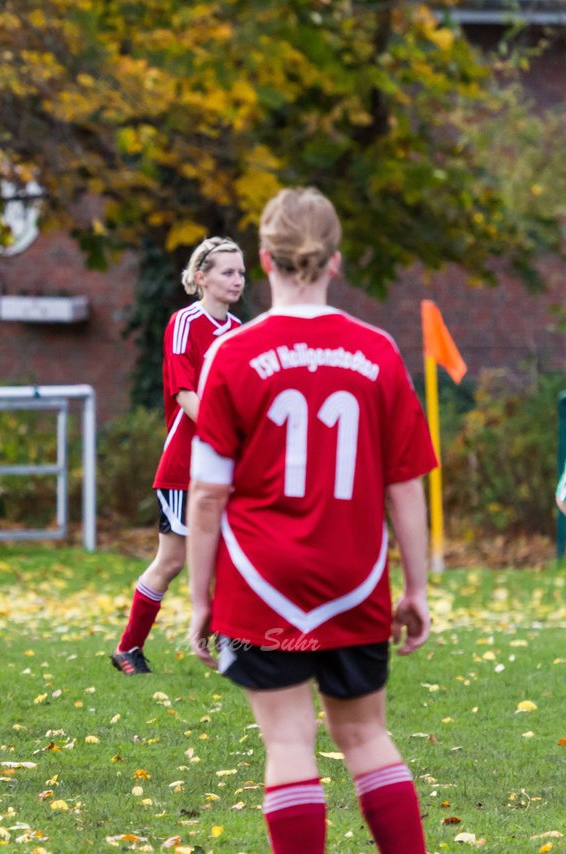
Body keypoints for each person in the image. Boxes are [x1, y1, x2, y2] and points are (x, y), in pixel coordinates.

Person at [185, 187, 436, 853]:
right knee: (367, 737)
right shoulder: (378, 351)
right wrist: (416, 587)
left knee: (289, 741)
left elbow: (207, 496)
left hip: (261, 580)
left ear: (264, 260)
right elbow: (406, 483)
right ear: (336, 262)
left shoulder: (230, 356)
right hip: (353, 579)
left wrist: (199, 598)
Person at [112, 237, 244, 676]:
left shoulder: (242, 332)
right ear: (201, 277)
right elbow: (185, 394)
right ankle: (128, 648)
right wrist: (225, 432)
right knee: (171, 562)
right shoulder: (184, 323)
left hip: (228, 467)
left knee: (232, 556)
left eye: (241, 272)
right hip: (185, 467)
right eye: (227, 271)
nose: (237, 279)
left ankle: (233, 648)